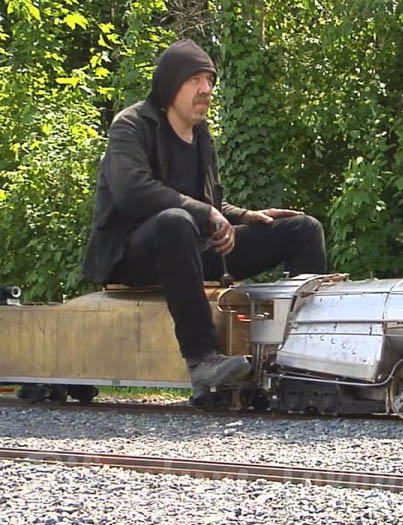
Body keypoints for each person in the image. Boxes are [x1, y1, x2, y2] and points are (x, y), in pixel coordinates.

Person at [82, 39, 326, 401]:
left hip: (192, 246)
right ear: (170, 85)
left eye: (209, 80)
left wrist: (243, 216)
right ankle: (202, 359)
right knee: (175, 221)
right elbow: (132, 190)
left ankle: (306, 362)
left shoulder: (201, 138)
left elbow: (209, 203)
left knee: (302, 229)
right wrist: (204, 213)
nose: (207, 89)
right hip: (133, 254)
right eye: (195, 79)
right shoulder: (131, 125)